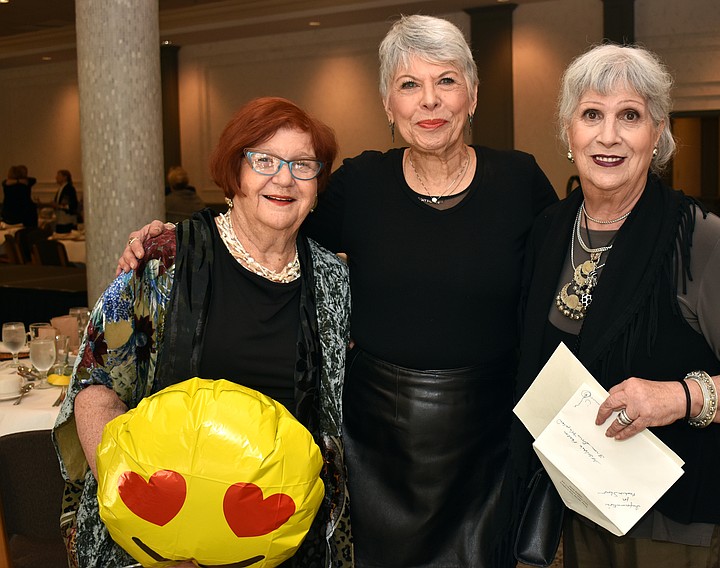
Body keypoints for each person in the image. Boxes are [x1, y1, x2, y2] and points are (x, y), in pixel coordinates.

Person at [118, 15, 558, 567]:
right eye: (409, 85)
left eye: (447, 81)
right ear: (387, 104)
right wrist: (179, 237)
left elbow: (570, 274)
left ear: (472, 95)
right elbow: (272, 217)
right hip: (377, 444)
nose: (430, 101)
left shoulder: (520, 181)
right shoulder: (361, 184)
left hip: (487, 440)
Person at [515, 44, 720, 567]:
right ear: (567, 131)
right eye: (591, 115)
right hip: (583, 505)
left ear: (658, 134)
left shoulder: (700, 240)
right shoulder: (551, 231)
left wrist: (678, 396)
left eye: (630, 116)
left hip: (676, 523)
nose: (608, 136)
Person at [53, 97, 353, 568]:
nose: (283, 178)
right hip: (156, 535)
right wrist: (145, 510)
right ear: (235, 173)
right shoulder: (162, 259)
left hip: (282, 538)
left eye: (302, 164)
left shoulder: (333, 283)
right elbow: (97, 384)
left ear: (317, 186)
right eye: (265, 160)